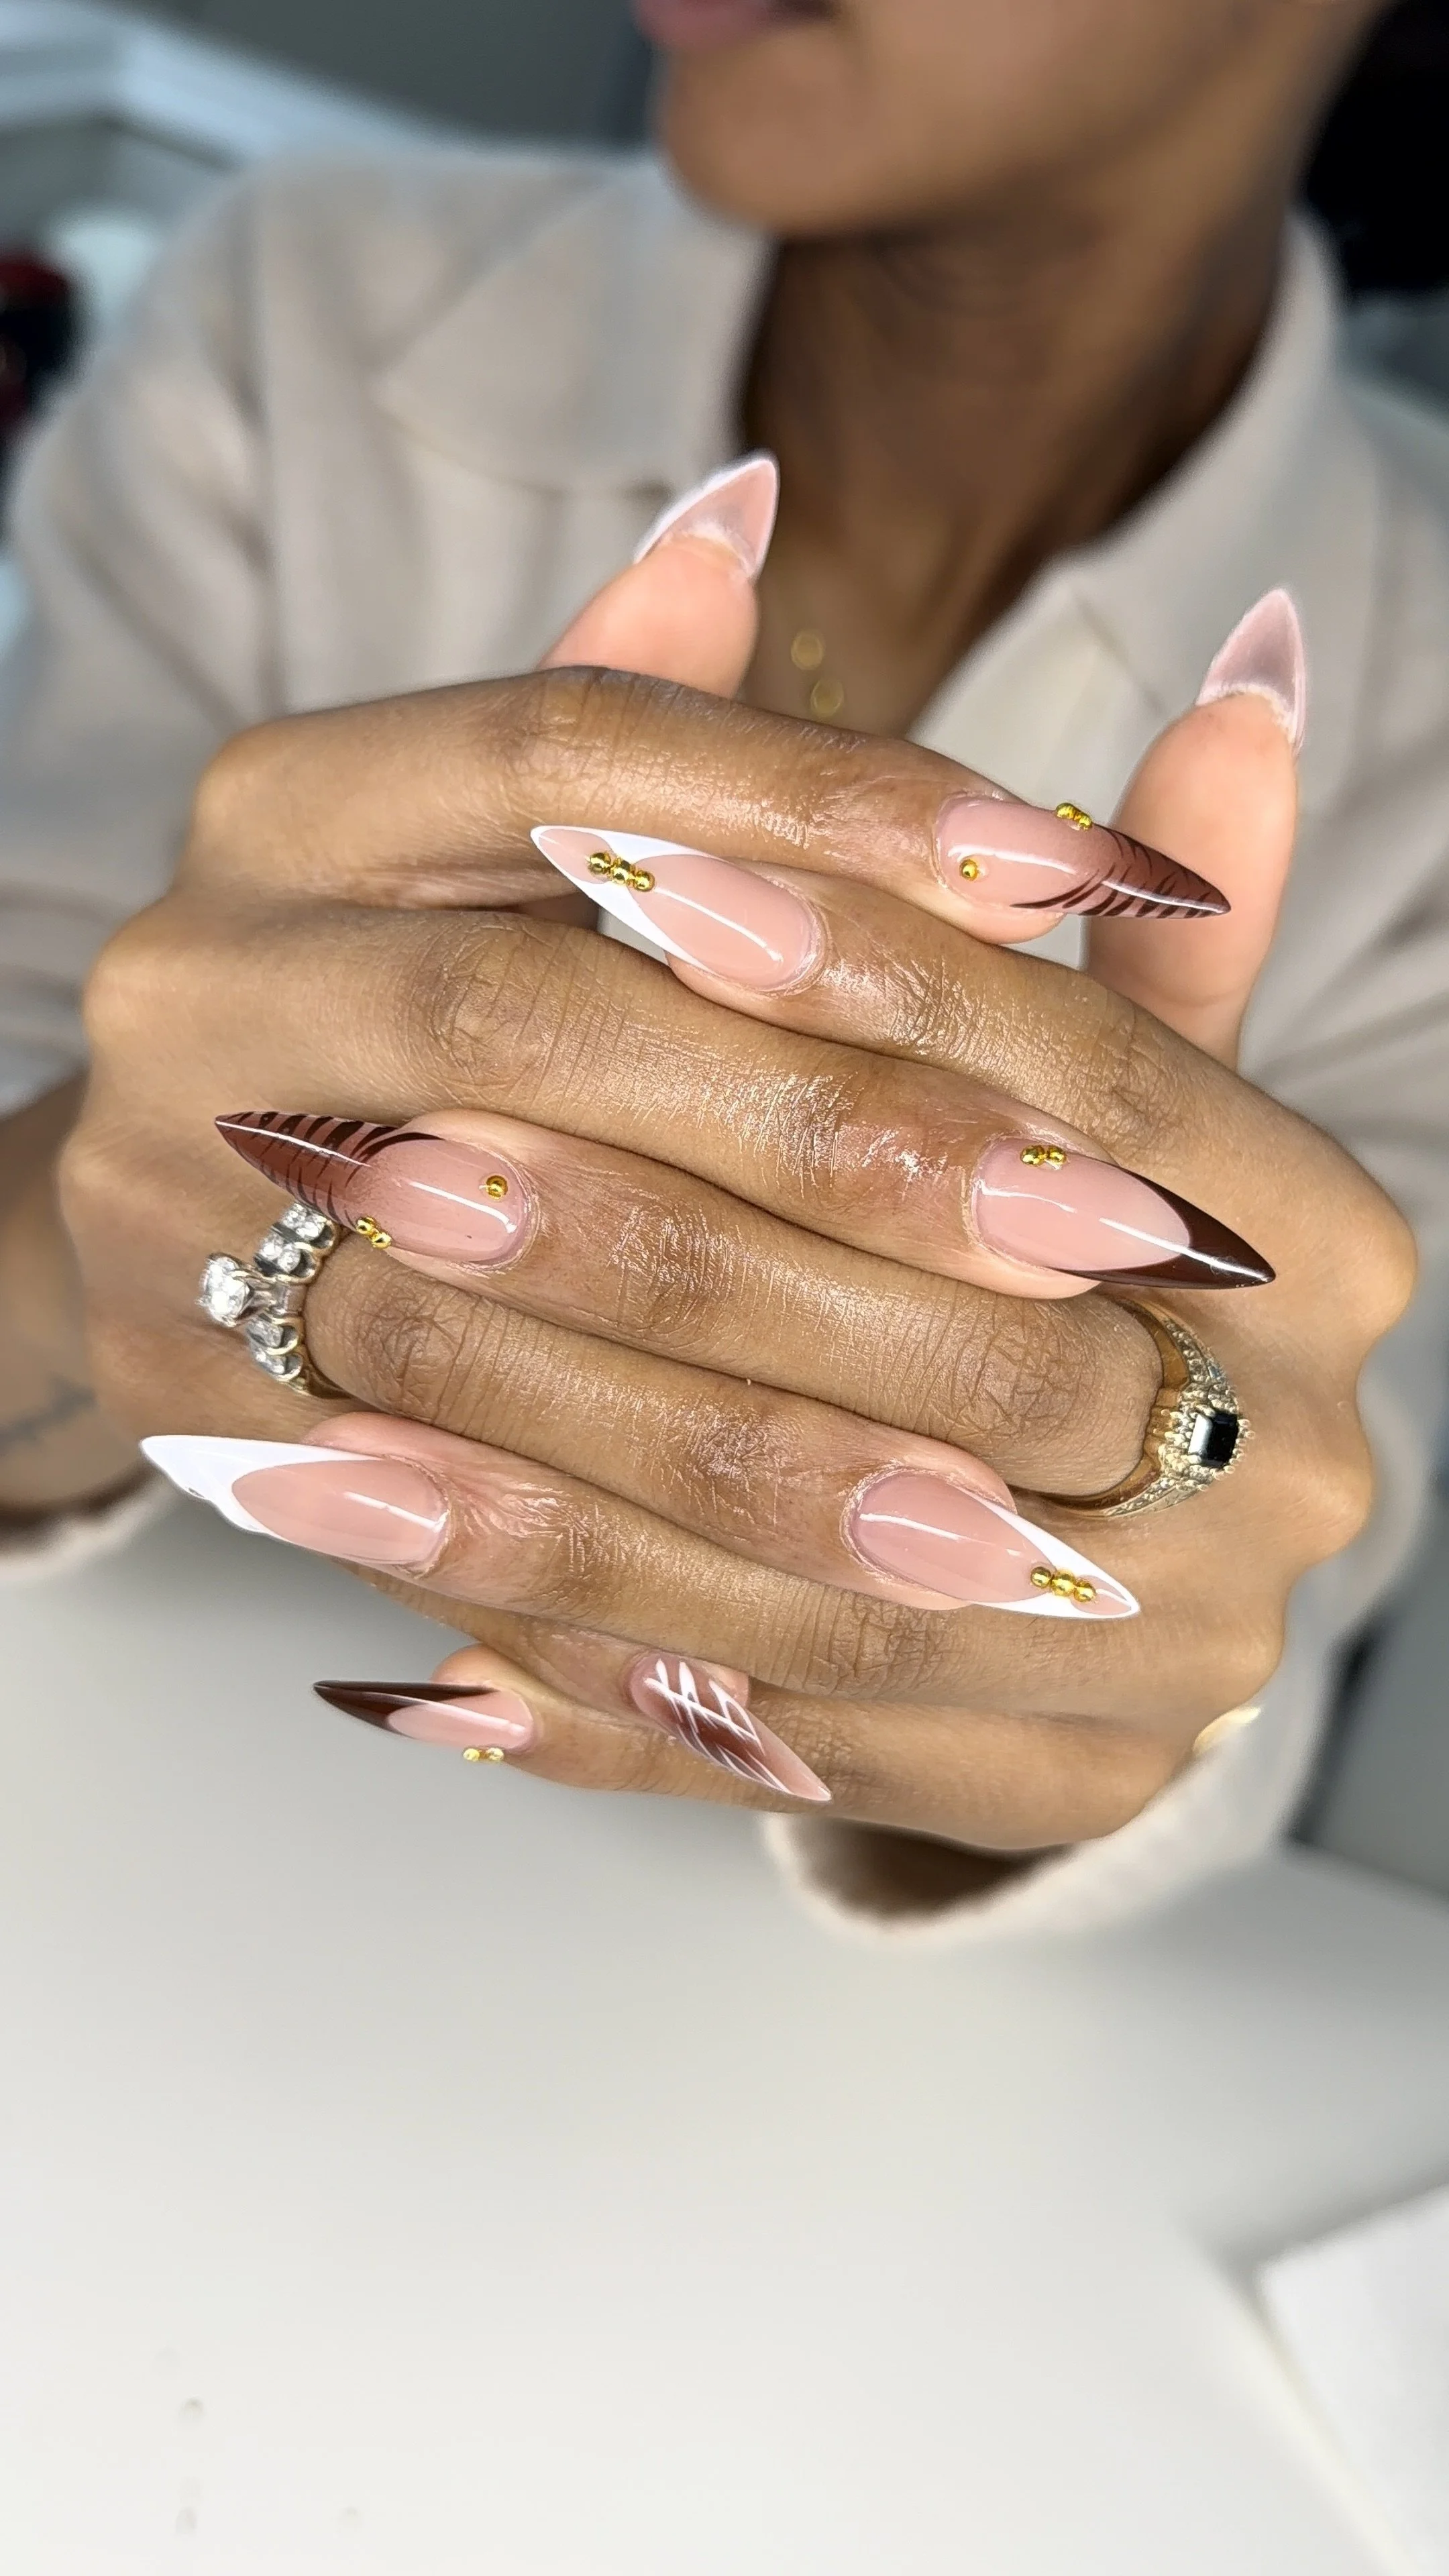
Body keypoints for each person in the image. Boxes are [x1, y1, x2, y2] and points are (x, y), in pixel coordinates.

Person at [0, 0, 1440, 1936]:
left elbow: (1247, 1638)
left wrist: (1139, 1569)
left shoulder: (1420, 699)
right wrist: (101, 1216)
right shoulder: (312, 300)